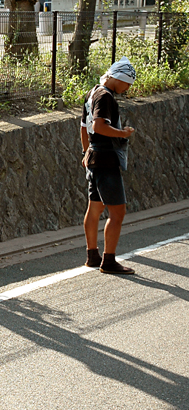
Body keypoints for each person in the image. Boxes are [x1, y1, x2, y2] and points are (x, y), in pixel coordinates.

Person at [80, 57, 136, 274]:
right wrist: (123, 133)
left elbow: (84, 127)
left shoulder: (92, 92)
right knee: (118, 212)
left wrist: (85, 152)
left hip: (93, 157)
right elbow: (99, 125)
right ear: (119, 78)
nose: (128, 88)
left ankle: (92, 255)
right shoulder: (105, 97)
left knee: (94, 208)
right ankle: (109, 261)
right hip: (105, 158)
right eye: (128, 83)